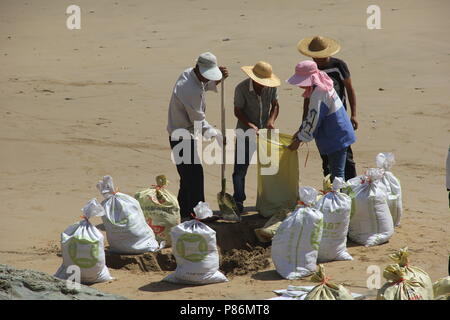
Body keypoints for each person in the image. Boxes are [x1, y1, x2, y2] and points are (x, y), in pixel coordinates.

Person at [167, 52, 228, 218]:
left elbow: (204, 85)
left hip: (185, 134)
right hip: (181, 135)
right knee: (195, 176)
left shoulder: (189, 74)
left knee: (187, 176)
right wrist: (215, 134)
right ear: (198, 70)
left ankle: (183, 210)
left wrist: (218, 79)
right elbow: (198, 121)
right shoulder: (189, 90)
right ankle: (199, 214)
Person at [297, 35, 358, 180]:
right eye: (316, 57)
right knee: (327, 160)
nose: (318, 59)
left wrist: (354, 114)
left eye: (322, 56)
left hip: (337, 118)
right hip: (320, 120)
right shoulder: (311, 70)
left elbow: (349, 89)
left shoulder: (338, 66)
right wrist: (304, 123)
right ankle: (331, 191)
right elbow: (308, 100)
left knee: (345, 159)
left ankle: (348, 191)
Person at [287, 60, 355, 181]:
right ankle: (342, 196)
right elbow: (311, 117)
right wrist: (301, 130)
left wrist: (299, 139)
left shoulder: (319, 93)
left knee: (337, 176)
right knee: (336, 173)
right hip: (337, 133)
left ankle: (341, 198)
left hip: (337, 136)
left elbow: (314, 119)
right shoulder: (320, 86)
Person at [232, 61, 281, 213]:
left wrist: (271, 121)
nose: (263, 86)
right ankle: (238, 200)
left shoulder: (271, 87)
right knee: (240, 170)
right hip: (245, 133)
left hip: (265, 133)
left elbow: (275, 105)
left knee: (269, 168)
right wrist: (250, 125)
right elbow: (238, 111)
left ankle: (269, 199)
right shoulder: (241, 89)